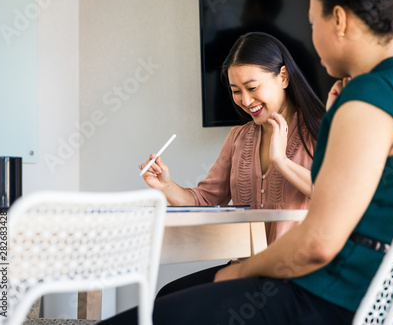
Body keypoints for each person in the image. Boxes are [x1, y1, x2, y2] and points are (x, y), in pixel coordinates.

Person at [101, 0, 393, 323]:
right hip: (383, 301)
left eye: (311, 22)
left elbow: (317, 244)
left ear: (338, 19)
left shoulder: (369, 99)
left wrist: (240, 272)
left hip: (327, 295)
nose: (310, 37)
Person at [98, 32, 325, 324]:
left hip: (291, 275)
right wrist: (166, 185)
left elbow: (336, 197)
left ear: (283, 77)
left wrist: (280, 160)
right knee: (167, 295)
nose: (245, 100)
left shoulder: (320, 131)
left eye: (252, 87)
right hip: (244, 268)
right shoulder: (238, 137)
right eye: (235, 90)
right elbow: (206, 199)